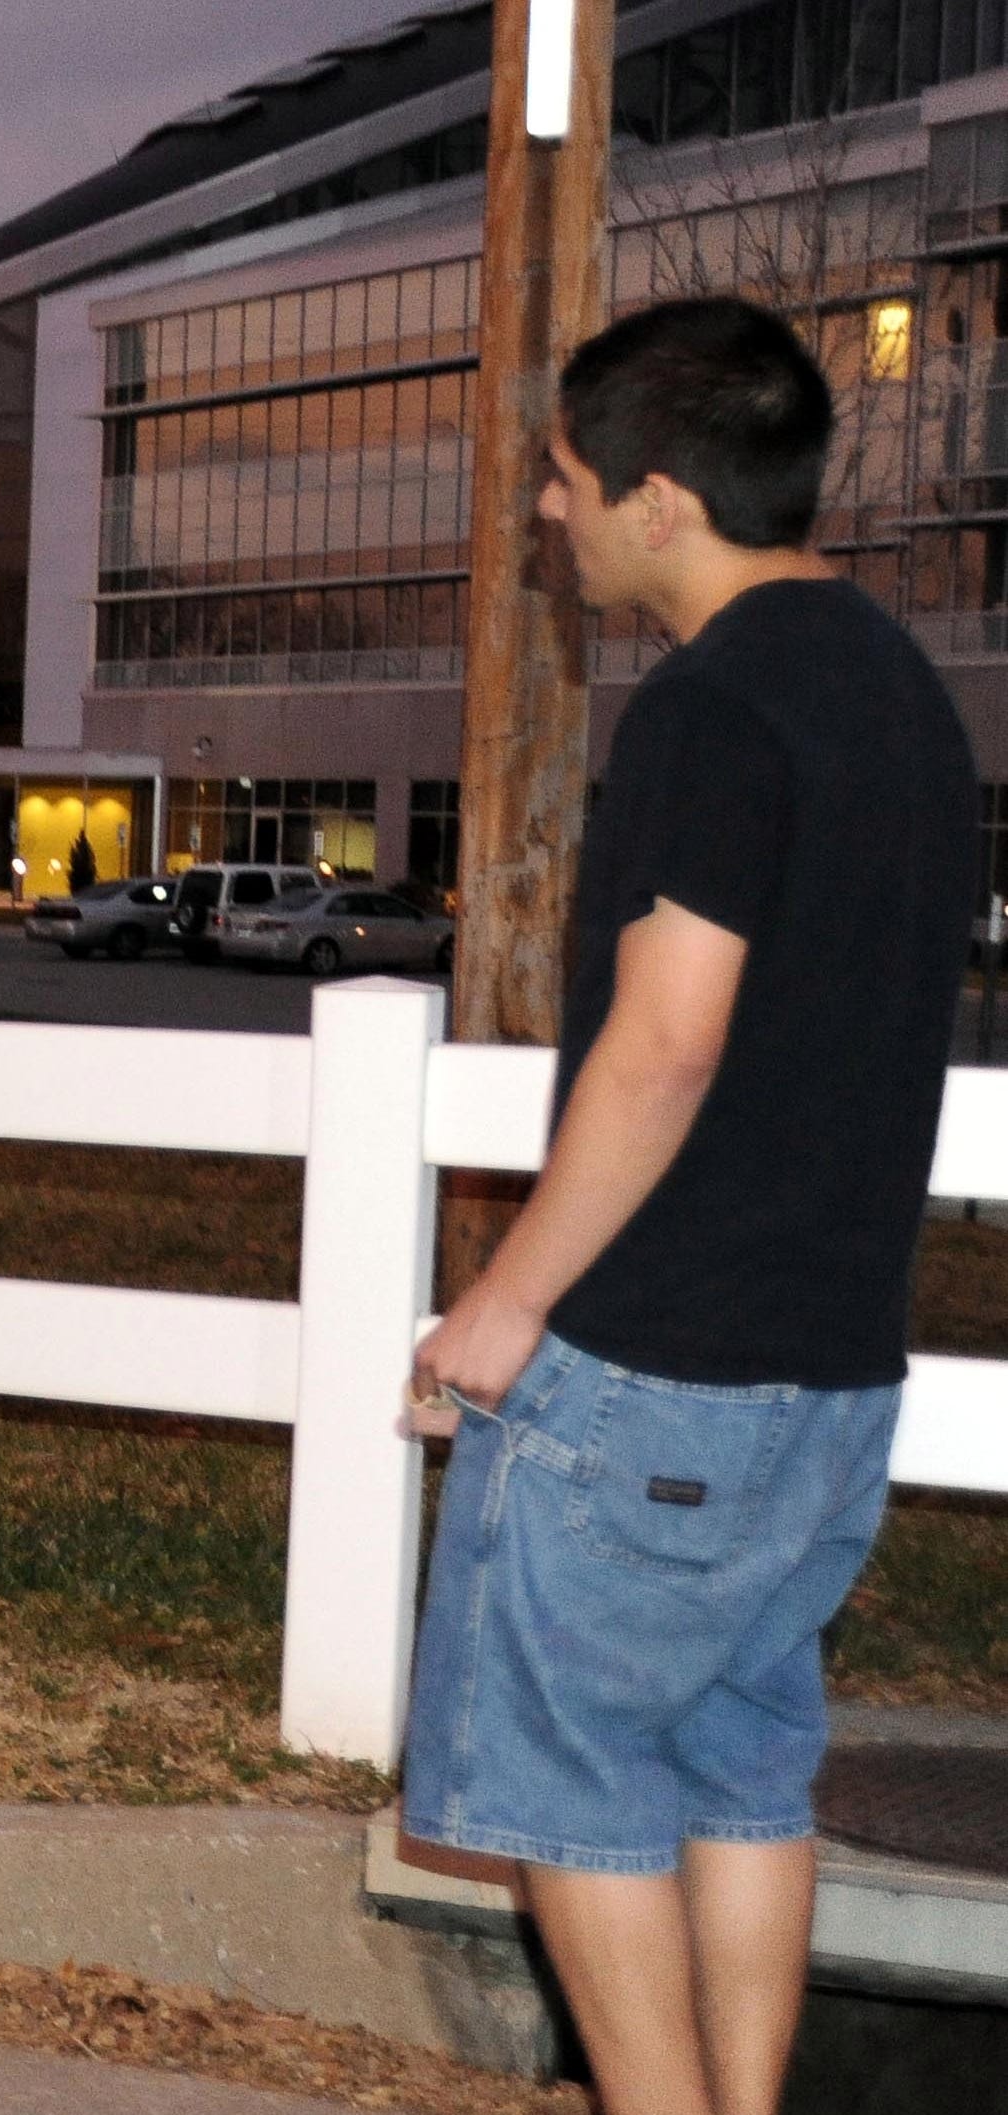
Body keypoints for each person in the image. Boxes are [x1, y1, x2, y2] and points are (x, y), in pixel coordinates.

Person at [403, 296, 978, 2115]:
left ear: (662, 497)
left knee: (572, 1784)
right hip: (830, 1380)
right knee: (742, 1770)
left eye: (569, 482)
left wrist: (503, 1307)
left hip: (655, 1370)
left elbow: (664, 1046)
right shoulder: (902, 695)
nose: (551, 518)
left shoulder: (712, 709)